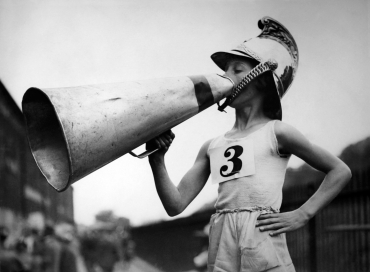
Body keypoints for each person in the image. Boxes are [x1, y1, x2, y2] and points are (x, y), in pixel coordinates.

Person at [147, 17, 352, 272]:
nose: (225, 77)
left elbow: (340, 171)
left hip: (262, 240)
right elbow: (175, 205)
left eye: (237, 69)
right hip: (222, 245)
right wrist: (157, 159)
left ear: (262, 79)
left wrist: (303, 214)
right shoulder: (212, 145)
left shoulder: (277, 132)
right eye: (225, 70)